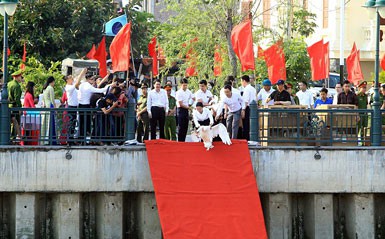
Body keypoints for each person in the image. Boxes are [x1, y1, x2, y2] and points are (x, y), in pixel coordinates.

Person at [78, 72, 108, 143]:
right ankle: (84, 139)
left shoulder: (82, 84)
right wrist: (108, 87)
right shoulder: (88, 86)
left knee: (82, 123)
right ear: (88, 79)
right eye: (92, 79)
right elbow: (99, 90)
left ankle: (82, 139)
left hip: (80, 106)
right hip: (85, 106)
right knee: (86, 123)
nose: (93, 81)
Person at [64, 69, 85, 143]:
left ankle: (71, 138)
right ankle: (69, 139)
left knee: (73, 122)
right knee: (71, 123)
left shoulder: (72, 87)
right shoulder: (68, 87)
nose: (72, 78)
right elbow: (76, 83)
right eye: (70, 78)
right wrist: (82, 73)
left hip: (75, 107)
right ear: (67, 80)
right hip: (71, 107)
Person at [8, 70, 24, 142]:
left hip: (8, 106)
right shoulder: (16, 86)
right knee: (16, 122)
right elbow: (17, 99)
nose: (21, 78)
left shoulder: (8, 84)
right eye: (21, 77)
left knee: (9, 122)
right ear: (17, 77)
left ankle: (9, 137)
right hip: (14, 106)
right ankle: (13, 138)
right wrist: (19, 108)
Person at [41, 76, 57, 145]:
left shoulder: (45, 89)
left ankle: (45, 140)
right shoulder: (50, 88)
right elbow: (52, 99)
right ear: (52, 81)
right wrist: (55, 108)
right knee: (51, 124)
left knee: (46, 124)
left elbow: (43, 100)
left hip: (46, 107)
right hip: (50, 106)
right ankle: (52, 140)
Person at [240, 75, 256, 141]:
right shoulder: (253, 89)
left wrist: (243, 110)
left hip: (248, 108)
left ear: (244, 81)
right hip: (253, 108)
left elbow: (246, 101)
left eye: (241, 81)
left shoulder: (246, 89)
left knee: (246, 124)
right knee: (251, 124)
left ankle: (246, 139)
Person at [357, 81, 369, 146]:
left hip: (365, 114)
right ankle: (356, 141)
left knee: (365, 128)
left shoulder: (365, 96)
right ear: (359, 88)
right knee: (358, 128)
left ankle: (363, 141)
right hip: (359, 114)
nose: (364, 89)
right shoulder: (357, 96)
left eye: (365, 88)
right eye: (363, 88)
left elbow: (366, 104)